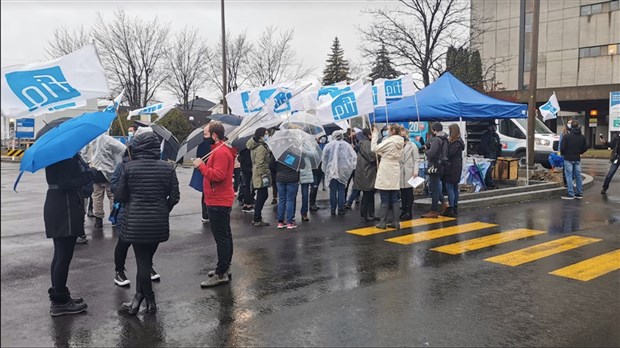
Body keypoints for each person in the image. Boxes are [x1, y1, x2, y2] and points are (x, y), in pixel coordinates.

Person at [114, 132, 180, 315]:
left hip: (135, 223)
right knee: (146, 261)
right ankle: (145, 300)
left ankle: (142, 301)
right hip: (158, 222)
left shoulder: (128, 168)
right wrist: (164, 209)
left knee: (143, 263)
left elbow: (119, 196)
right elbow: (174, 196)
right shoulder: (168, 168)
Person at [45, 154, 92, 317]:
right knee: (63, 256)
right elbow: (66, 183)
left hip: (57, 205)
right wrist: (87, 176)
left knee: (59, 254)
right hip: (64, 207)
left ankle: (60, 294)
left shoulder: (54, 157)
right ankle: (60, 303)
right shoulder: (63, 159)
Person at [194, 121, 236, 287]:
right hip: (218, 199)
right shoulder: (219, 149)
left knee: (222, 238)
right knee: (225, 235)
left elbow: (218, 175)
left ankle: (221, 273)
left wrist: (202, 167)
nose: (204, 138)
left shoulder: (221, 152)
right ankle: (224, 267)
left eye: (205, 135)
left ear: (214, 135)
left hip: (218, 200)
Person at [372, 124, 405, 229]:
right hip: (395, 167)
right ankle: (396, 222)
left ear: (393, 131)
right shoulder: (401, 141)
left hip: (386, 168)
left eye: (388, 129)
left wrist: (375, 135)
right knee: (394, 198)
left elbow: (374, 148)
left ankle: (382, 222)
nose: (387, 131)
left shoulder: (389, 141)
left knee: (384, 198)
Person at [322, 130, 357, 215]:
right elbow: (353, 158)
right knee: (341, 190)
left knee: (333, 191)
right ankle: (341, 208)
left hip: (331, 171)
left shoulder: (328, 146)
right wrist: (349, 168)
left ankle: (333, 209)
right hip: (343, 171)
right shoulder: (347, 145)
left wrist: (325, 169)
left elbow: (324, 159)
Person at [422, 122, 449, 218]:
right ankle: (444, 204)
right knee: (436, 186)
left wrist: (425, 150)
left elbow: (431, 154)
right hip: (440, 165)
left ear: (434, 130)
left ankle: (434, 210)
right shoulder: (444, 138)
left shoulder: (437, 139)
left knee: (434, 188)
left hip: (434, 165)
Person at [246, 127, 272, 227]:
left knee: (262, 195)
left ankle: (257, 217)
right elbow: (260, 163)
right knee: (262, 196)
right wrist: (264, 175)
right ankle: (257, 218)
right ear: (261, 135)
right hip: (261, 175)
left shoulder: (259, 145)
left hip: (258, 174)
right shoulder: (261, 147)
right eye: (266, 134)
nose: (267, 135)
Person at [353, 128, 378, 222]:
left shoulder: (363, 143)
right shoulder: (367, 144)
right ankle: (365, 215)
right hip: (367, 173)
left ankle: (370, 214)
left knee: (370, 194)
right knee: (367, 195)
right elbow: (371, 157)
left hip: (367, 172)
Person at [560, 120, 587, 199]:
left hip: (568, 158)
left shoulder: (566, 137)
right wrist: (580, 152)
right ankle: (579, 192)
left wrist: (564, 153)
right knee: (578, 176)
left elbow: (562, 148)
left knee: (569, 176)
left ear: (571, 126)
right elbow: (585, 147)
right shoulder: (582, 137)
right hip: (577, 158)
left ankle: (570, 193)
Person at [192, 127, 214, 223]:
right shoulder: (209, 144)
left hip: (205, 170)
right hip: (207, 170)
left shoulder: (202, 143)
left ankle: (205, 214)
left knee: (205, 193)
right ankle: (207, 214)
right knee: (207, 193)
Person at [443, 124, 465, 217]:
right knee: (455, 187)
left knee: (450, 187)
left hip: (452, 167)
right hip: (457, 166)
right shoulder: (459, 142)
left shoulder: (455, 143)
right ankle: (455, 206)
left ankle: (451, 208)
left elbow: (450, 153)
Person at [399, 129, 419, 221]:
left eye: (404, 133)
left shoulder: (412, 145)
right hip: (400, 171)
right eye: (401, 133)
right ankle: (403, 209)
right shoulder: (398, 145)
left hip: (409, 171)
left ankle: (408, 211)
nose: (403, 135)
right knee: (402, 192)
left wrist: (415, 171)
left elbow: (416, 159)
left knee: (409, 192)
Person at [275, 156, 301, 229]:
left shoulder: (279, 153)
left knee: (281, 200)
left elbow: (271, 165)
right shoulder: (296, 154)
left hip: (280, 178)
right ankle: (289, 222)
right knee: (290, 200)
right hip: (292, 178)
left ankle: (280, 222)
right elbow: (302, 165)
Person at [479, 124, 502, 189]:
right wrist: (488, 152)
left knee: (491, 168)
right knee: (489, 168)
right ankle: (488, 182)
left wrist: (499, 152)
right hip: (489, 154)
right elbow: (484, 145)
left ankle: (489, 182)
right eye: (493, 126)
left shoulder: (495, 135)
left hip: (494, 153)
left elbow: (498, 144)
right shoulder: (486, 135)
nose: (495, 128)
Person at [309, 135, 327, 211]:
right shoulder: (310, 147)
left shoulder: (323, 144)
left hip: (320, 169)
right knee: (314, 187)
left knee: (316, 187)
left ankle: (313, 202)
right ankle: (312, 203)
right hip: (313, 170)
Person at [238, 145, 255, 213]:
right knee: (249, 187)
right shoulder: (250, 150)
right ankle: (248, 205)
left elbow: (239, 159)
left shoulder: (242, 150)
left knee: (245, 186)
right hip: (249, 170)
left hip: (244, 169)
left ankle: (245, 203)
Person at [299, 156, 314, 222]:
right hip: (295, 176)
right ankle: (292, 215)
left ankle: (304, 213)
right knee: (291, 198)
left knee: (305, 196)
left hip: (304, 176)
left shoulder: (308, 153)